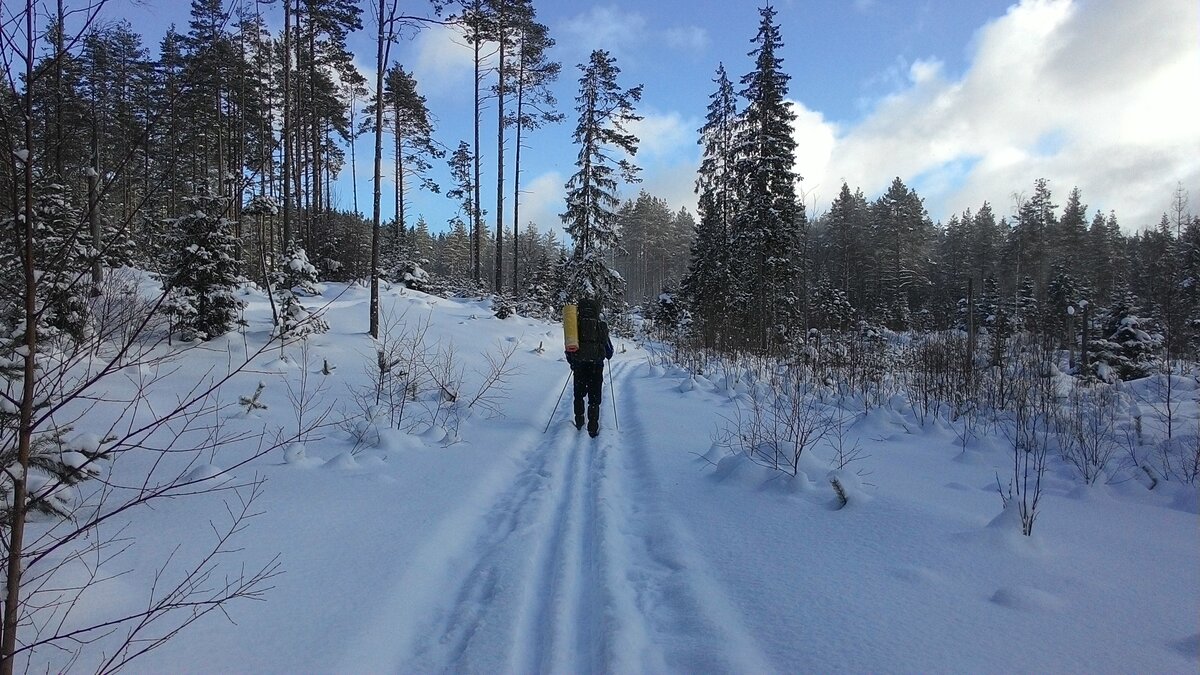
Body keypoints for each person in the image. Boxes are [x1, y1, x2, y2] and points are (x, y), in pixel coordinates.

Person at [566, 297, 614, 437]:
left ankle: (579, 421)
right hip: (596, 366)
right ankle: (593, 426)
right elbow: (609, 351)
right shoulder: (601, 326)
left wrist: (573, 362)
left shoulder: (574, 325)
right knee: (594, 397)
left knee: (578, 394)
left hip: (579, 365)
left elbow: (569, 348)